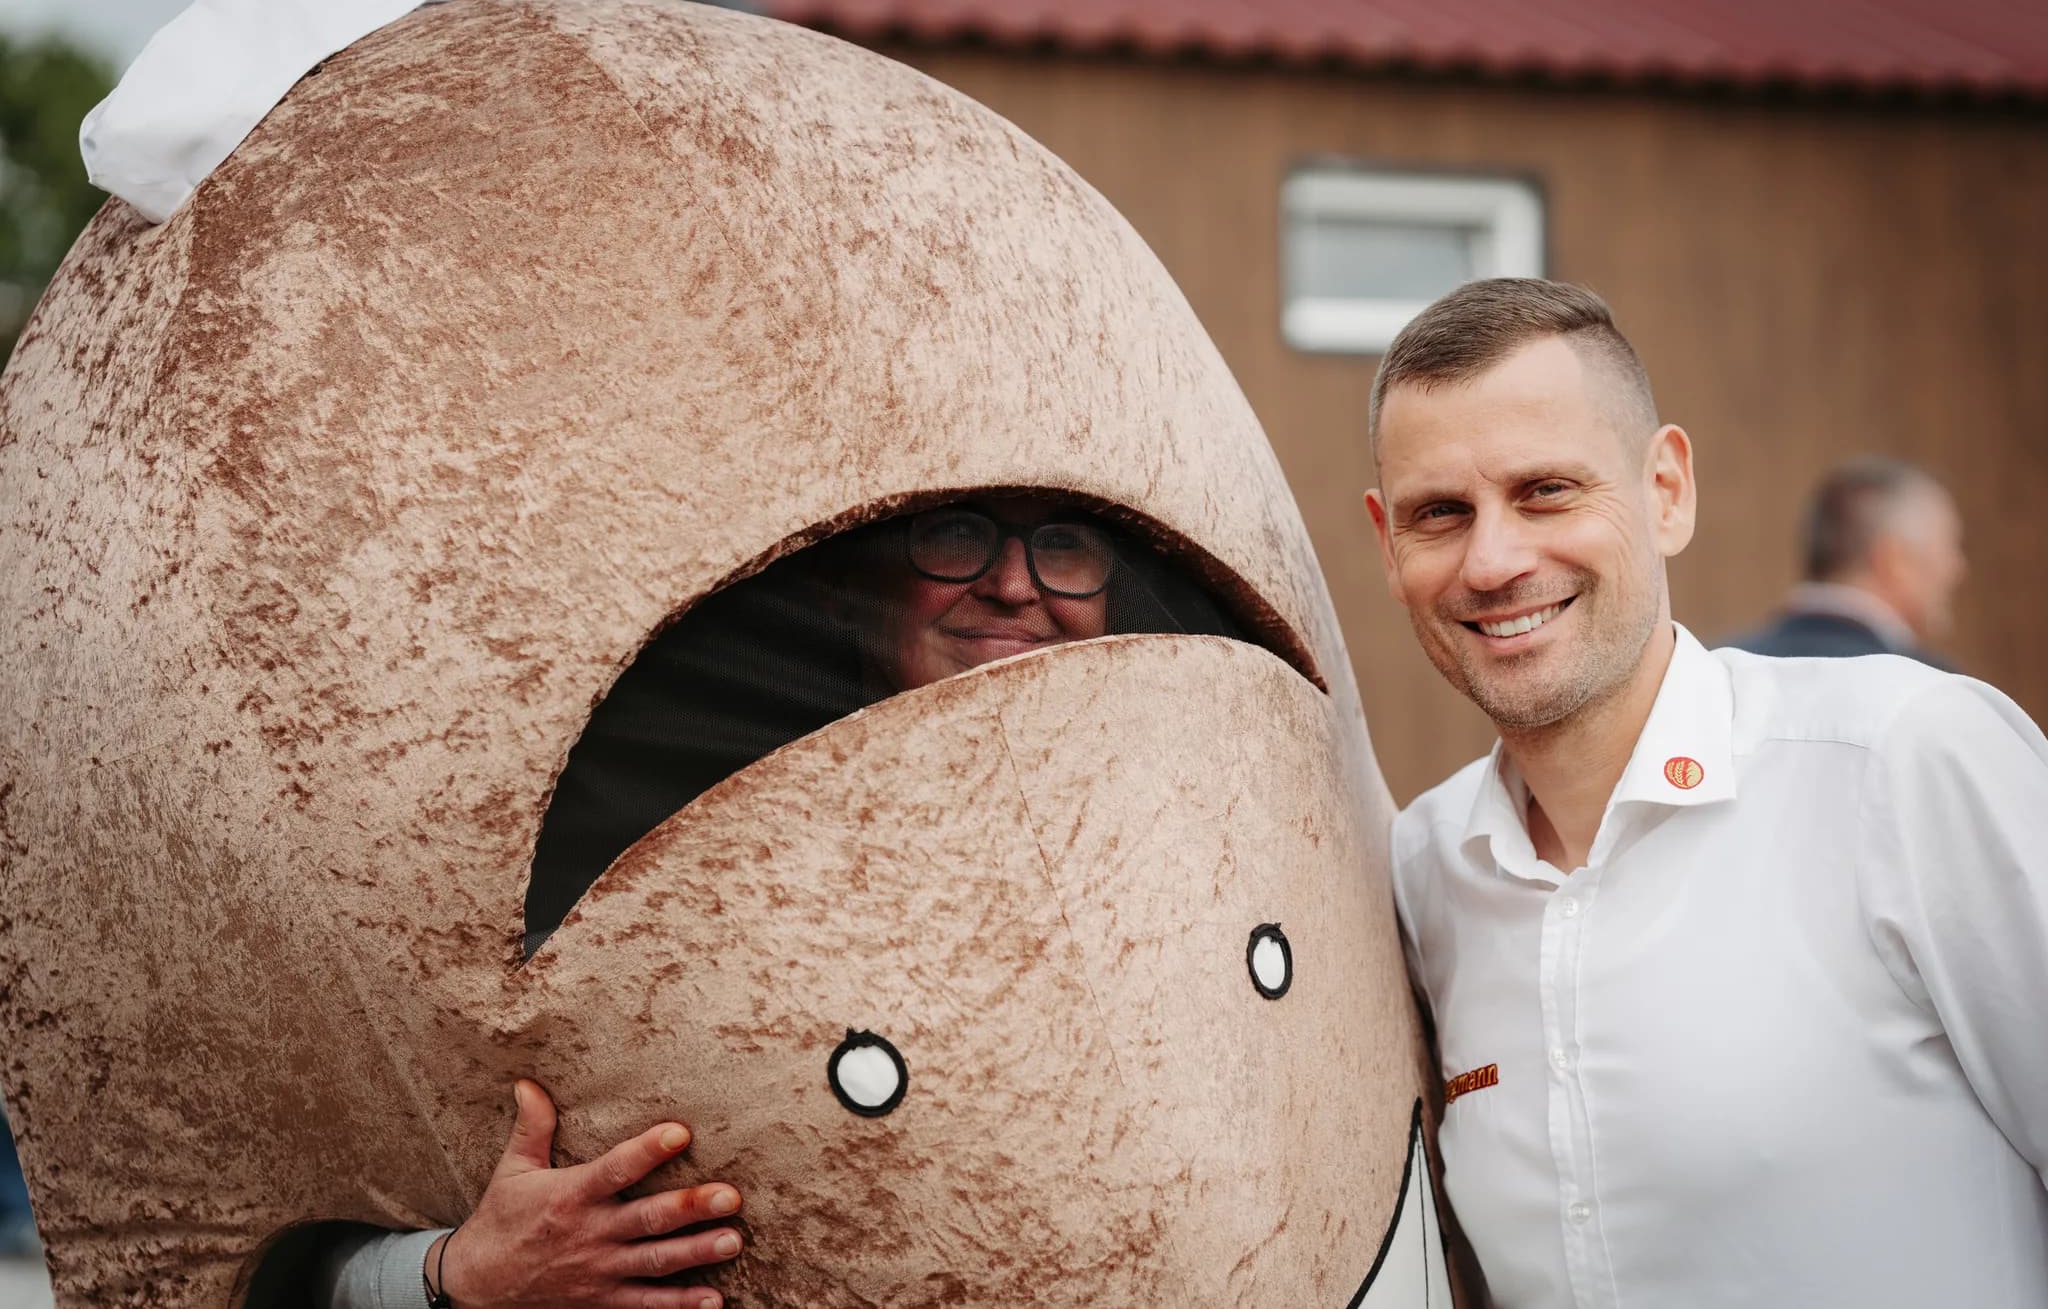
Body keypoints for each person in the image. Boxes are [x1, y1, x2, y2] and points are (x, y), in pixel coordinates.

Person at [319, 494, 1243, 1308]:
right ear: (849, 582)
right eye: (955, 535)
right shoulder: (654, 843)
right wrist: (448, 1277)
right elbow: (251, 1204)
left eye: (1067, 544)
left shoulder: (1206, 841)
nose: (1012, 584)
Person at [1364, 278, 2048, 1306]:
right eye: (1439, 514)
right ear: (1386, 543)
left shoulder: (1904, 765)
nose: (1493, 559)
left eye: (1545, 490)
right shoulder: (1420, 876)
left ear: (1666, 491)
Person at [1723, 455, 1965, 667]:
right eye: (1950, 548)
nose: (1958, 569)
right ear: (1895, 561)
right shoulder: (1931, 690)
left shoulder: (1717, 671)